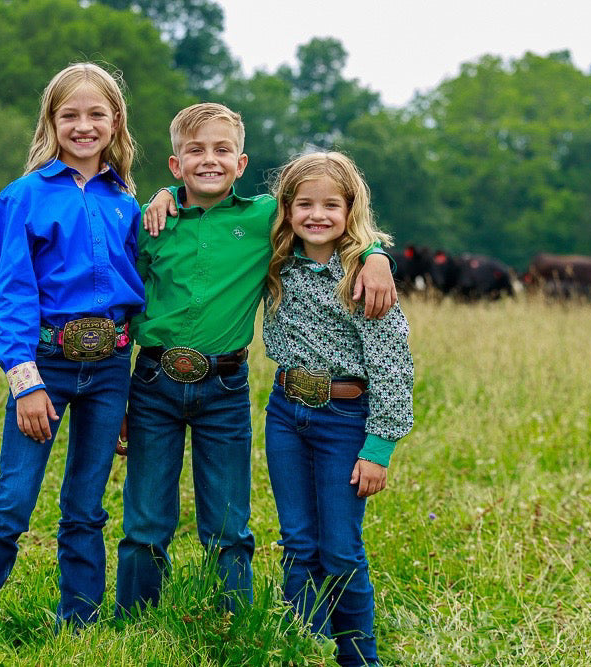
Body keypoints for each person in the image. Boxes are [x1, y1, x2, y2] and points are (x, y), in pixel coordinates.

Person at [115, 103, 397, 617]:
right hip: (153, 380)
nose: (209, 160)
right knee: (146, 523)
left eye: (223, 150)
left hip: (223, 388)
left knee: (227, 524)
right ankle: (134, 624)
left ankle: (233, 623)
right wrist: (161, 196)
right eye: (195, 151)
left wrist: (377, 256)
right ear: (175, 166)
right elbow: (126, 298)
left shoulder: (265, 216)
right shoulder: (152, 221)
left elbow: (333, 215)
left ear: (241, 164)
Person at [0, 62, 145, 655]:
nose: (83, 125)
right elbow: (13, 297)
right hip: (46, 368)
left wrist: (129, 391)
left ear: (116, 122)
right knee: (11, 504)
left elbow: (136, 300)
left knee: (86, 506)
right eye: (70, 115)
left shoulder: (124, 203)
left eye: (96, 114)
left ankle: (77, 630)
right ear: (51, 122)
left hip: (110, 370)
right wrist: (26, 383)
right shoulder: (23, 197)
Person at [262, 151, 414, 666]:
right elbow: (220, 208)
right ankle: (303, 650)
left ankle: (358, 658)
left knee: (341, 550)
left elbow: (393, 366)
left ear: (352, 209)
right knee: (298, 543)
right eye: (304, 204)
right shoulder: (274, 259)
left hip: (345, 420)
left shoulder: (365, 277)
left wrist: (379, 448)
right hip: (284, 412)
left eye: (332, 204)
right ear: (286, 208)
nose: (317, 215)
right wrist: (169, 196)